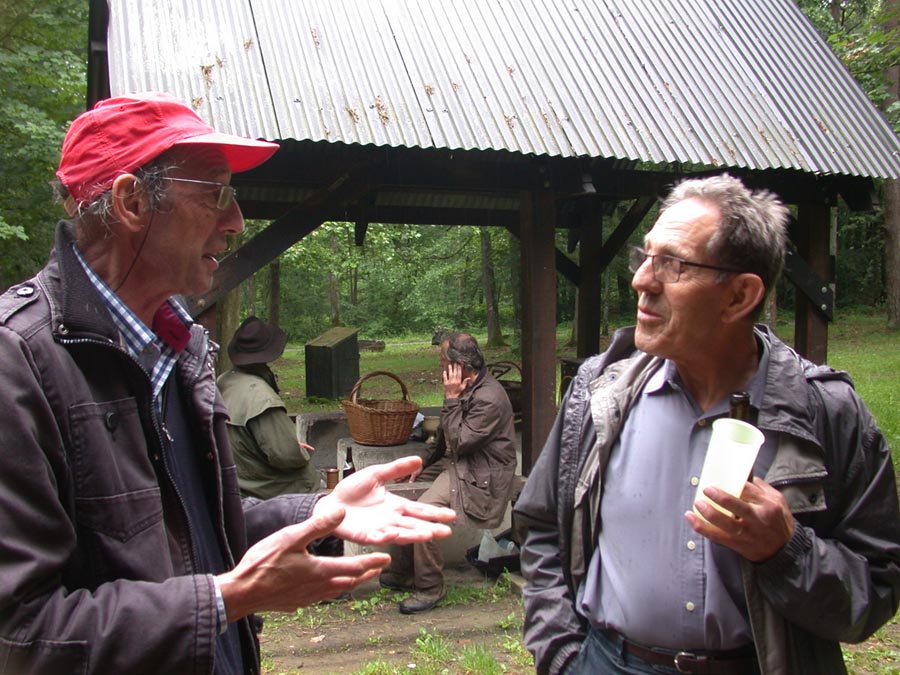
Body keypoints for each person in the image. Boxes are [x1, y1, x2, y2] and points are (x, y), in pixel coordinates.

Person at [0, 92, 455, 675]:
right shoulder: (20, 364)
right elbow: (24, 637)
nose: (237, 220)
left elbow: (196, 529)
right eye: (215, 193)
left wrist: (319, 512)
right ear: (131, 200)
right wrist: (227, 599)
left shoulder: (179, 348)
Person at [513, 174, 900, 675]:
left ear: (739, 296)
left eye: (672, 264)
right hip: (605, 662)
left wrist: (785, 550)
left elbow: (876, 590)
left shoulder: (828, 412)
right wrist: (563, 655)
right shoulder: (598, 390)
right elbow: (542, 525)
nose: (641, 280)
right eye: (645, 256)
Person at [381, 332, 518, 614]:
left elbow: (460, 441)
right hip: (461, 463)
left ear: (459, 365)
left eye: (442, 360)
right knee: (396, 496)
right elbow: (445, 434)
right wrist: (423, 462)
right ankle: (403, 571)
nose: (439, 365)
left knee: (423, 511)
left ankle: (430, 587)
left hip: (481, 472)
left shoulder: (489, 397)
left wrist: (452, 398)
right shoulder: (467, 386)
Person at [218, 315, 320, 497]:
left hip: (236, 481)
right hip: (267, 489)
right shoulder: (260, 397)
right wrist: (299, 450)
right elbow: (287, 456)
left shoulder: (225, 381)